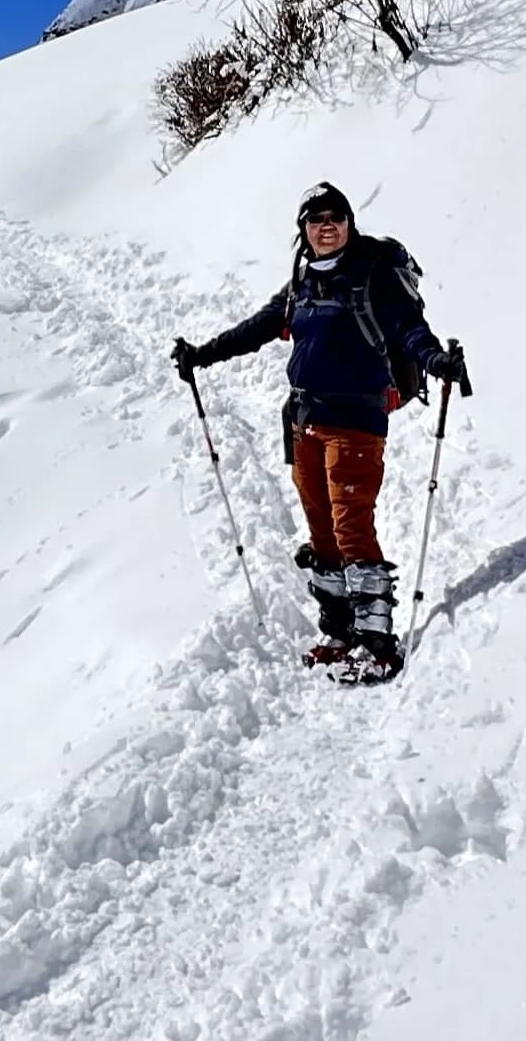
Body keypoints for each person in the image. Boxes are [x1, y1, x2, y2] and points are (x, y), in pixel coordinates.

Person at [170, 182, 466, 682]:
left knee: (351, 525)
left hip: (356, 424)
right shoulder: (303, 284)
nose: (326, 226)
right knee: (322, 529)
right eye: (316, 219)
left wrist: (436, 360)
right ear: (304, 231)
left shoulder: (372, 276)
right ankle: (340, 630)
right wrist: (203, 353)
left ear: (350, 224)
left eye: (336, 217)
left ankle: (378, 642)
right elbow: (259, 327)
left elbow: (408, 329)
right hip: (306, 422)